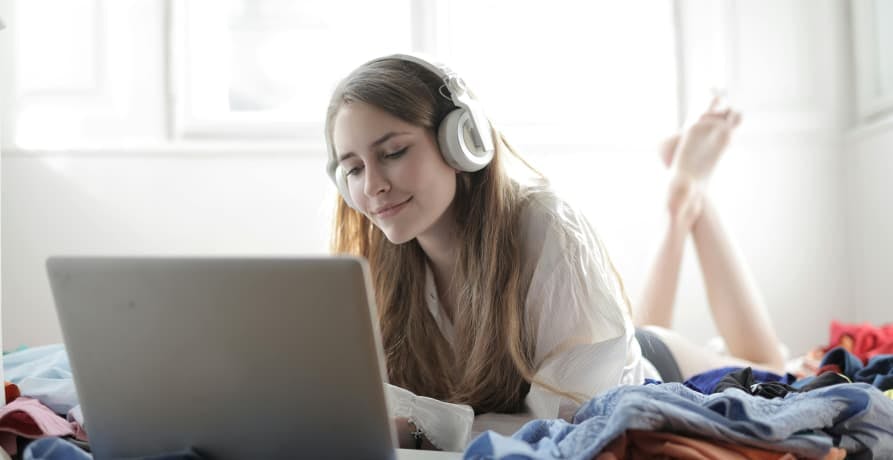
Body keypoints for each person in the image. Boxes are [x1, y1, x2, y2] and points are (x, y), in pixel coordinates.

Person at [323, 54, 786, 451]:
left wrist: (426, 433)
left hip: (639, 374)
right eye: (354, 169)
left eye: (394, 152)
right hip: (597, 346)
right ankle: (682, 199)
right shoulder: (377, 259)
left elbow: (578, 422)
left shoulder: (547, 226)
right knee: (637, 322)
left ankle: (684, 197)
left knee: (774, 368)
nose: (373, 186)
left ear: (462, 140)